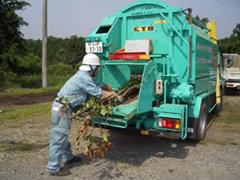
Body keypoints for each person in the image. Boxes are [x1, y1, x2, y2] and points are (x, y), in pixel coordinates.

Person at [47, 53, 117, 176]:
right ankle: (53, 168)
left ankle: (68, 158)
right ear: (93, 68)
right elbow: (100, 94)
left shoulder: (84, 76)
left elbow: (95, 84)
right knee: (58, 137)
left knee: (62, 135)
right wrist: (113, 94)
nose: (98, 70)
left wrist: (106, 85)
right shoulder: (83, 78)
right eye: (97, 68)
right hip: (62, 109)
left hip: (62, 108)